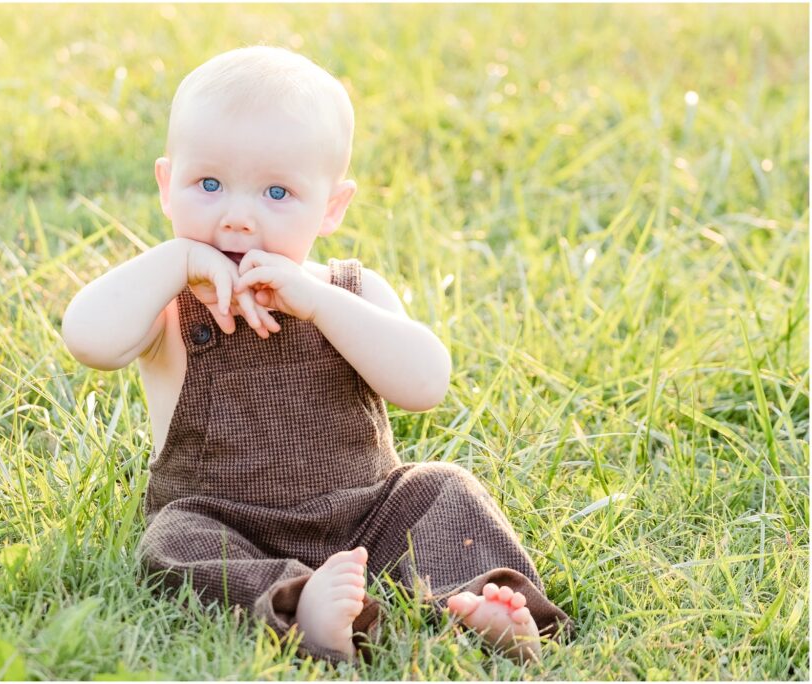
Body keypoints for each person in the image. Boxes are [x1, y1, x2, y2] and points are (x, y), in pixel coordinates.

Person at [61, 45, 572, 665]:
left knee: (445, 488)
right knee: (171, 540)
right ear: (168, 187)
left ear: (331, 207)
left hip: (368, 516)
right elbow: (87, 338)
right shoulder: (164, 304)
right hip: (225, 521)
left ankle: (479, 602)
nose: (238, 219)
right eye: (210, 184)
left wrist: (322, 305)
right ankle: (296, 603)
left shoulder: (352, 292)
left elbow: (426, 384)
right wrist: (174, 262)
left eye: (277, 192)